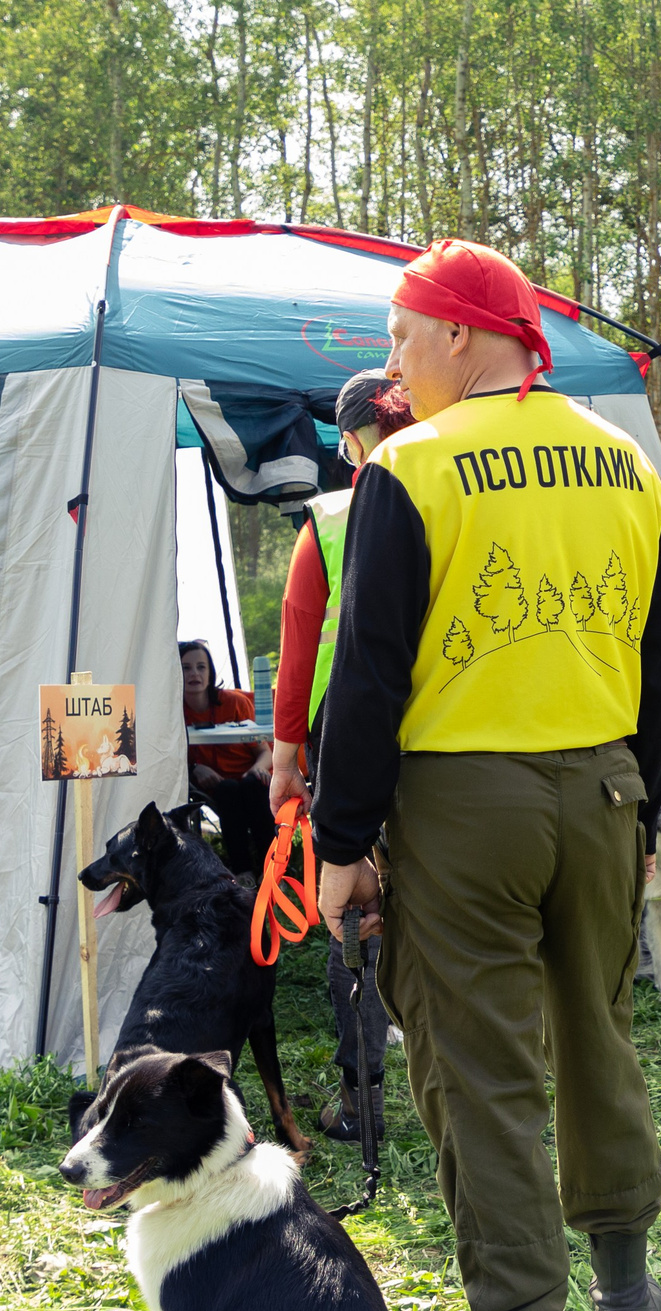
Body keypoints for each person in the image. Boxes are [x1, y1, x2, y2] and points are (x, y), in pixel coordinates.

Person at [312, 237, 661, 1311]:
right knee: (598, 1038)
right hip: (605, 789)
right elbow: (655, 660)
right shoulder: (625, 461)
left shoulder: (410, 467)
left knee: (482, 1078)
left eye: (401, 337)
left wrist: (341, 841)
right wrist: (640, 807)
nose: (392, 363)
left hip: (463, 806)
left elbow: (368, 675)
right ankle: (626, 1304)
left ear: (461, 335)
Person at [270, 371, 414, 1147]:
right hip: (444, 740)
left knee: (352, 915)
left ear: (351, 441)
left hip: (346, 744)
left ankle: (363, 1104)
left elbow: (298, 650)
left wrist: (284, 759)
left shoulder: (331, 517)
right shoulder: (453, 494)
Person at [181, 639, 275, 877]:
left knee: (253, 785)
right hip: (216, 785)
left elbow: (265, 752)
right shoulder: (172, 712)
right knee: (228, 790)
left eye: (201, 667)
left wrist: (258, 768)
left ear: (210, 672)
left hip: (250, 776)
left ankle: (273, 872)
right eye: (186, 668)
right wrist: (193, 768)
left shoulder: (234, 702)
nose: (194, 674)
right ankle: (243, 873)